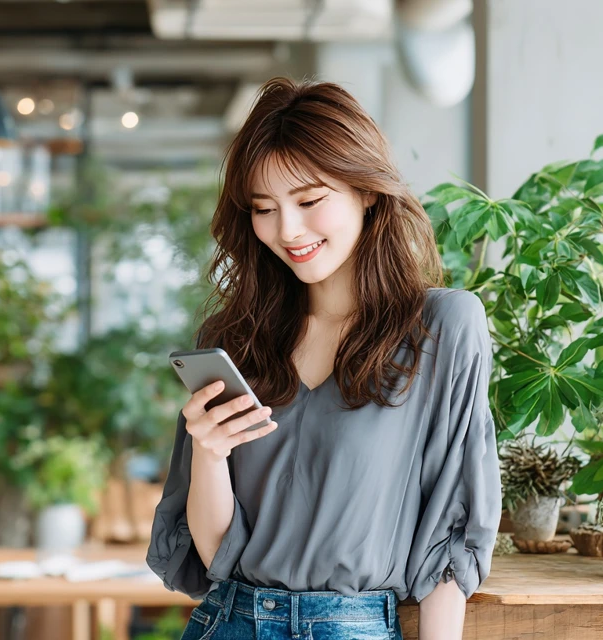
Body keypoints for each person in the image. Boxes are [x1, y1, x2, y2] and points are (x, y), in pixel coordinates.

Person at [146, 77, 502, 640]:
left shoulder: (443, 327)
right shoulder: (236, 337)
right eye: (264, 209)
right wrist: (208, 455)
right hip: (228, 623)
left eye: (310, 200)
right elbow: (216, 557)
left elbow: (451, 535)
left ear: (366, 190)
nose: (288, 230)